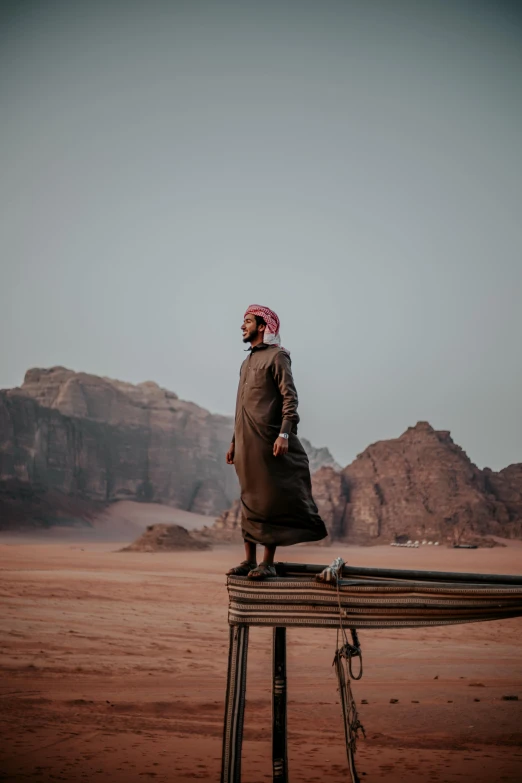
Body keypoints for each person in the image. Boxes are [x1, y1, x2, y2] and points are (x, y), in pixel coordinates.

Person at [226, 304, 327, 579]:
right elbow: (239, 407)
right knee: (249, 499)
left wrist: (284, 433)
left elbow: (289, 398)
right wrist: (234, 441)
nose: (242, 326)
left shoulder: (278, 357)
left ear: (262, 326)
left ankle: (267, 563)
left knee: (267, 500)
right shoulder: (245, 363)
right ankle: (249, 561)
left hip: (269, 440)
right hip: (246, 443)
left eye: (247, 321)